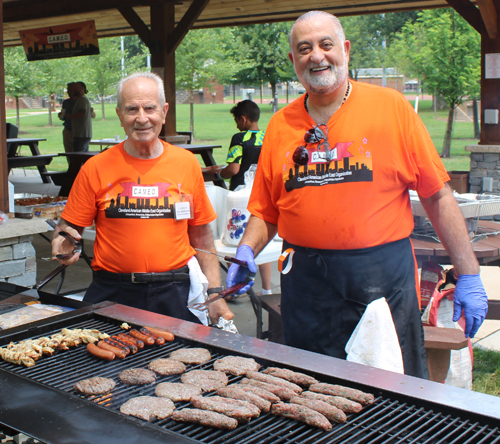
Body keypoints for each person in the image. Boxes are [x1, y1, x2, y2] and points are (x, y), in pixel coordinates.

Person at [225, 11, 488, 379]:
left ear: (345, 49)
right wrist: (245, 251)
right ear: (293, 61)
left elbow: (438, 196)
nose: (316, 56)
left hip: (382, 281)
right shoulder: (281, 125)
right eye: (304, 48)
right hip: (306, 282)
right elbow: (267, 211)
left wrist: (469, 273)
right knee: (312, 392)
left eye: (325, 44)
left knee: (392, 394)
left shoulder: (391, 108)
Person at [51, 72, 233, 325]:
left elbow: (202, 236)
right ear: (119, 115)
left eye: (149, 108)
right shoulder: (95, 167)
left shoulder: (186, 163)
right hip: (112, 290)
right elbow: (69, 227)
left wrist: (214, 293)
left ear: (164, 111)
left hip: (174, 290)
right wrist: (63, 243)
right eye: (131, 109)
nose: (142, 118)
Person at [211, 100, 273, 296]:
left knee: (240, 237)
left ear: (243, 119)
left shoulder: (239, 138)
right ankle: (267, 288)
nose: (237, 125)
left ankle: (236, 285)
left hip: (239, 195)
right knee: (260, 240)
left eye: (237, 120)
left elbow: (233, 169)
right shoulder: (268, 137)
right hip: (262, 194)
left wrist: (219, 174)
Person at [66, 81, 93, 152]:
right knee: (83, 155)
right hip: (82, 134)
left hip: (81, 134)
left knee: (79, 156)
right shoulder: (81, 99)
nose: (73, 89)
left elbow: (82, 114)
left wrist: (70, 116)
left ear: (82, 88)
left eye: (75, 87)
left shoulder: (82, 99)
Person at [58, 82, 76, 153]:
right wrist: (61, 116)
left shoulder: (80, 101)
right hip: (67, 129)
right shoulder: (66, 102)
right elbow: (64, 116)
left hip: (77, 131)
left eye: (70, 89)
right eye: (68, 90)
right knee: (68, 152)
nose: (68, 92)